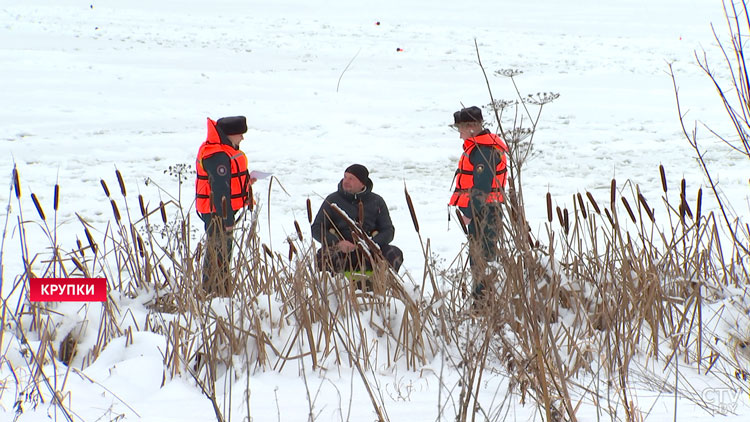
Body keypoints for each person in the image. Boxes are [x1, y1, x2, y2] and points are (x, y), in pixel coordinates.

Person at [448, 106, 508, 300]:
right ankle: (482, 301)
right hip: (483, 211)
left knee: (482, 259)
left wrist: (468, 212)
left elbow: (481, 188)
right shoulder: (481, 147)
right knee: (479, 258)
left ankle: (483, 303)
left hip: (484, 213)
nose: (460, 136)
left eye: (461, 130)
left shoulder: (483, 151)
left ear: (472, 127)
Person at [311, 164, 403, 284]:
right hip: (343, 251)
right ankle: (335, 290)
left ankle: (378, 286)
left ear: (362, 183)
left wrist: (372, 245)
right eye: (345, 177)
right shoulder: (332, 200)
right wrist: (338, 243)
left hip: (370, 252)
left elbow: (388, 230)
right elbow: (317, 228)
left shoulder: (377, 201)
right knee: (323, 256)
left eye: (351, 178)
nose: (346, 181)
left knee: (394, 254)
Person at [195, 116, 255, 296]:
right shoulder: (218, 155)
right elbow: (220, 191)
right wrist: (227, 219)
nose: (242, 139)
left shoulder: (224, 150)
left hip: (222, 212)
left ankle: (220, 291)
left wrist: (245, 183)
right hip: (217, 214)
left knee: (223, 253)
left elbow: (229, 182)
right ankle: (213, 293)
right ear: (230, 135)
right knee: (218, 254)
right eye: (240, 135)